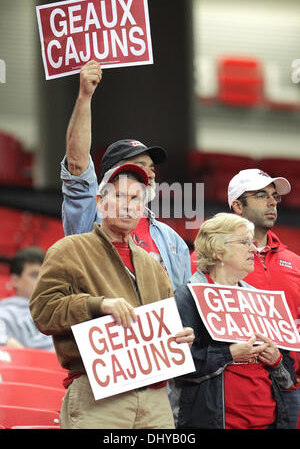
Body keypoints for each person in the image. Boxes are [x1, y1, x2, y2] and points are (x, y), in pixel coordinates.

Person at [30, 164, 194, 429]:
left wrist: (181, 336)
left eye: (135, 199)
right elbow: (43, 311)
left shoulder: (154, 266)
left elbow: (167, 324)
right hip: (98, 393)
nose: (127, 205)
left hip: (155, 399)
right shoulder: (69, 249)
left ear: (143, 208)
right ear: (99, 201)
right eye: (118, 196)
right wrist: (98, 305)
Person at [60, 60, 191, 291]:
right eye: (139, 165)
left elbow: (181, 302)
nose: (149, 172)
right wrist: (85, 97)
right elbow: (76, 161)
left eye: (151, 167)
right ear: (114, 174)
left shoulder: (172, 240)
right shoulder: (92, 210)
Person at [173, 213, 296, 429]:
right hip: (217, 422)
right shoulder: (188, 296)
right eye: (244, 242)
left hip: (269, 421)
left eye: (253, 242)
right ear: (217, 250)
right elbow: (180, 366)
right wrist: (229, 354)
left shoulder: (261, 299)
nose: (253, 249)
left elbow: (288, 375)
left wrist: (276, 358)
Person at [227, 168, 300, 429]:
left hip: (284, 399)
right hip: (226, 405)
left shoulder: (295, 264)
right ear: (237, 205)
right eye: (261, 195)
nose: (272, 202)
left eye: (274, 196)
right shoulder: (207, 262)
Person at [0, 246, 54, 351]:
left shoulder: (59, 309)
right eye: (35, 275)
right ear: (15, 280)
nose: (42, 281)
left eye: (45, 275)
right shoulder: (5, 313)